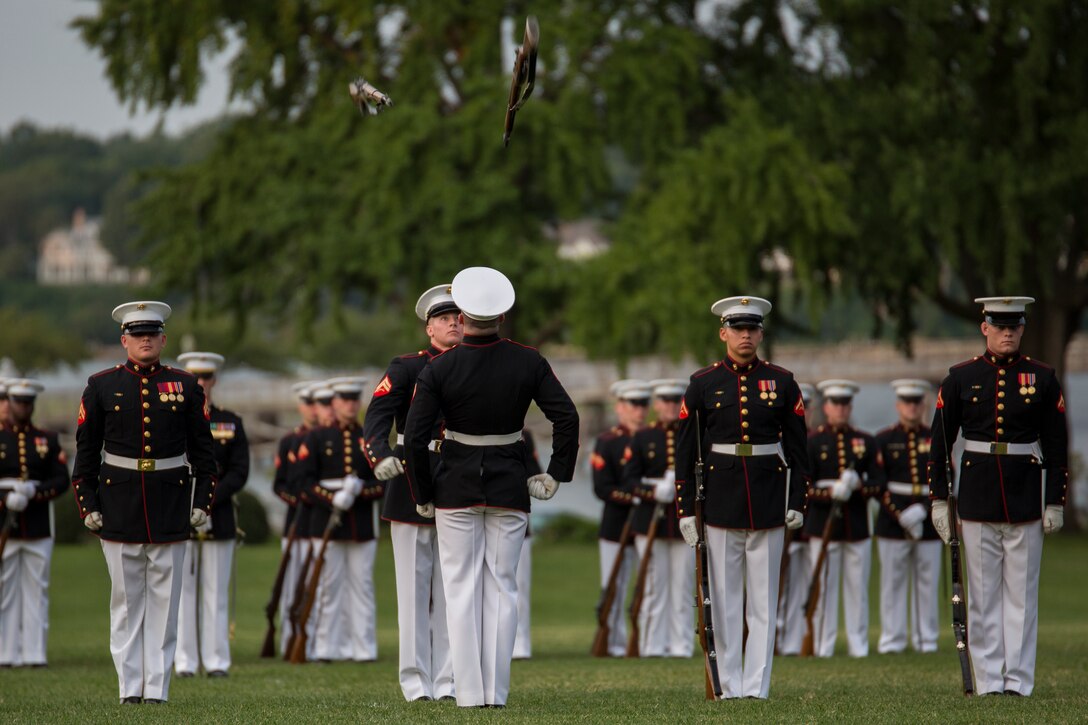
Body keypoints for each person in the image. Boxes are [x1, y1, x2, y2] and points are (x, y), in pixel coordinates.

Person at [403, 266, 579, 708]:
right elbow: (567, 417)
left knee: (459, 588)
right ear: (503, 316)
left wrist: (422, 495)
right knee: (503, 587)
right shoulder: (528, 360)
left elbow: (415, 438)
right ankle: (495, 694)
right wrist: (556, 472)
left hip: (455, 485)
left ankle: (468, 694)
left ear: (460, 316)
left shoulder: (440, 367)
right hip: (508, 482)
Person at [71, 301, 218, 704]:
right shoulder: (101, 385)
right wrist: (88, 504)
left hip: (170, 502)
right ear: (124, 341)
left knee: (165, 606)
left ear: (163, 339)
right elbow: (85, 453)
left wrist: (203, 500)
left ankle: (157, 688)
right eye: (137, 334)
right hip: (119, 502)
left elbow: (204, 454)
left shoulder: (186, 385)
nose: (145, 340)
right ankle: (128, 687)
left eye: (152, 333)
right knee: (125, 603)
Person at [927, 296, 1068, 697]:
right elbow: (939, 443)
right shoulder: (960, 377)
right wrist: (939, 498)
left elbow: (1057, 445)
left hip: (1025, 493)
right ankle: (989, 681)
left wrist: (1055, 500)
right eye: (999, 325)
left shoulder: (1042, 377)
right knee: (984, 594)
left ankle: (1018, 682)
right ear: (984, 327)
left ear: (1022, 329)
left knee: (1022, 596)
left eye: (1014, 326)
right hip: (977, 493)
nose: (1007, 332)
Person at [675, 296, 809, 699]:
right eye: (738, 329)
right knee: (727, 600)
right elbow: (685, 451)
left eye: (752, 329)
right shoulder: (703, 383)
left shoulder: (782, 381)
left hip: (769, 496)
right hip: (720, 498)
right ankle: (728, 685)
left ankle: (757, 686)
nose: (745, 335)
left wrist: (797, 501)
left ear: (761, 334)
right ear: (723, 334)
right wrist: (685, 510)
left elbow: (801, 451)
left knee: (764, 604)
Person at [362, 283, 460, 702]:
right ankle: (415, 680)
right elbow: (378, 415)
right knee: (415, 590)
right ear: (428, 329)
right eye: (443, 318)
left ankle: (451, 679)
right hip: (410, 478)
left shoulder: (478, 362)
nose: (453, 323)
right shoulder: (405, 367)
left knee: (457, 587)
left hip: (461, 476)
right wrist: (379, 455)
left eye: (459, 316)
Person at [174, 352, 249, 678]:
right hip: (181, 514)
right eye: (195, 378)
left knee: (215, 593)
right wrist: (191, 501)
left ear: (213, 380)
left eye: (206, 378)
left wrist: (208, 500)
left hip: (218, 514)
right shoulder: (173, 420)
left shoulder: (230, 421)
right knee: (183, 594)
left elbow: (239, 471)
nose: (201, 384)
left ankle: (217, 660)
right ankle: (185, 661)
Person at [298, 377, 384, 662]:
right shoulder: (318, 437)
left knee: (362, 586)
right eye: (344, 400)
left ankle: (364, 648)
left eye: (354, 399)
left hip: (360, 522)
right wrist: (332, 497)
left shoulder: (368, 438)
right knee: (327, 587)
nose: (350, 404)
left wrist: (360, 490)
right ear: (334, 403)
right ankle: (326, 648)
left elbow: (382, 481)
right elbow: (306, 482)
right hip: (326, 522)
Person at [804, 379, 884, 658]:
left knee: (857, 588)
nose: (840, 409)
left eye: (845, 404)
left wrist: (859, 485)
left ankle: (858, 645)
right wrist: (829, 492)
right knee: (824, 588)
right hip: (822, 524)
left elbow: (878, 482)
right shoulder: (812, 442)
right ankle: (822, 646)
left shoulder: (865, 440)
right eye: (835, 404)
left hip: (856, 524)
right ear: (826, 407)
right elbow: (805, 487)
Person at [0, 379, 70, 667]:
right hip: (4, 525)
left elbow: (61, 480)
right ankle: (6, 652)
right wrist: (5, 497)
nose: (23, 408)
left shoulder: (47, 439)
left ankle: (34, 653)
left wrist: (35, 492)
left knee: (36, 591)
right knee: (5, 591)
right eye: (18, 402)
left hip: (38, 525)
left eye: (28, 403)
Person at [622, 379, 692, 658]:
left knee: (683, 585)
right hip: (649, 519)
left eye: (676, 401)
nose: (671, 406)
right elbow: (629, 481)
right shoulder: (643, 437)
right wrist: (653, 491)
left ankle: (681, 645)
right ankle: (652, 644)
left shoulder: (691, 435)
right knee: (654, 583)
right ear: (657, 404)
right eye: (665, 401)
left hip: (682, 521)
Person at [874, 378, 941, 655]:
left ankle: (927, 639)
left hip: (928, 519)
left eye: (917, 402)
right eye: (907, 402)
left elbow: (945, 478)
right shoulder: (883, 439)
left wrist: (924, 509)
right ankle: (892, 639)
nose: (912, 407)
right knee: (892, 582)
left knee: (927, 582)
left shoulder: (935, 437)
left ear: (923, 404)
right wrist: (901, 514)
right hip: (893, 521)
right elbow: (878, 483)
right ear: (898, 405)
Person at [590, 379, 650, 657]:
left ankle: (646, 640)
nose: (639, 410)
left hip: (647, 523)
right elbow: (602, 487)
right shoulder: (608, 441)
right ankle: (612, 641)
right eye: (634, 405)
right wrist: (633, 496)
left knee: (648, 584)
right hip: (616, 523)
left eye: (643, 404)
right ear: (620, 407)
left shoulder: (652, 438)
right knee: (613, 585)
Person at [273, 381, 318, 655]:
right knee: (290, 585)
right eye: (309, 404)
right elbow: (279, 485)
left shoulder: (327, 438)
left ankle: (313, 641)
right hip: (295, 523)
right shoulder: (290, 441)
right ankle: (289, 638)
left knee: (316, 585)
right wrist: (299, 499)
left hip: (319, 522)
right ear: (301, 406)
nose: (313, 410)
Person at [776, 381, 816, 656]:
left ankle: (794, 639)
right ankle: (777, 639)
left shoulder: (813, 441)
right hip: (776, 520)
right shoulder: (777, 441)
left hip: (807, 524)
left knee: (801, 586)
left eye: (808, 406)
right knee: (778, 583)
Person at [512, 428, 543, 660]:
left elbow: (535, 473)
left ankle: (520, 642)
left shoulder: (524, 434)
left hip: (515, 516)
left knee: (519, 585)